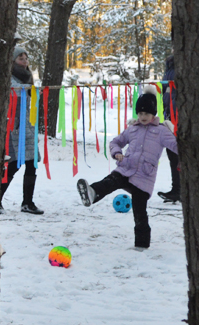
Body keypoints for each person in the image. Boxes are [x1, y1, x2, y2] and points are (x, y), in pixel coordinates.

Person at [76, 86, 177, 250]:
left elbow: (176, 146)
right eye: (140, 113)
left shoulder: (161, 131)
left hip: (144, 177)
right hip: (126, 169)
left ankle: (141, 245)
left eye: (146, 113)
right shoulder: (133, 129)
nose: (143, 117)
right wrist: (117, 153)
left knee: (139, 211)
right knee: (111, 180)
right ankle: (92, 193)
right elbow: (115, 142)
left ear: (153, 114)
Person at [0, 43, 44, 215]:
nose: (24, 61)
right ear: (12, 60)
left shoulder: (27, 77)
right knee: (13, 164)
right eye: (20, 58)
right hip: (14, 127)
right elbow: (13, 96)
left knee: (32, 163)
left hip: (28, 126)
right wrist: (27, 90)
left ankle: (27, 202)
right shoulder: (8, 78)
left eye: (26, 58)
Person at [157, 55, 180, 203]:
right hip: (169, 115)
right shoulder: (169, 66)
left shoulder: (184, 62)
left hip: (179, 115)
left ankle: (180, 190)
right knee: (172, 153)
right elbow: (166, 92)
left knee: (178, 153)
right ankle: (177, 189)